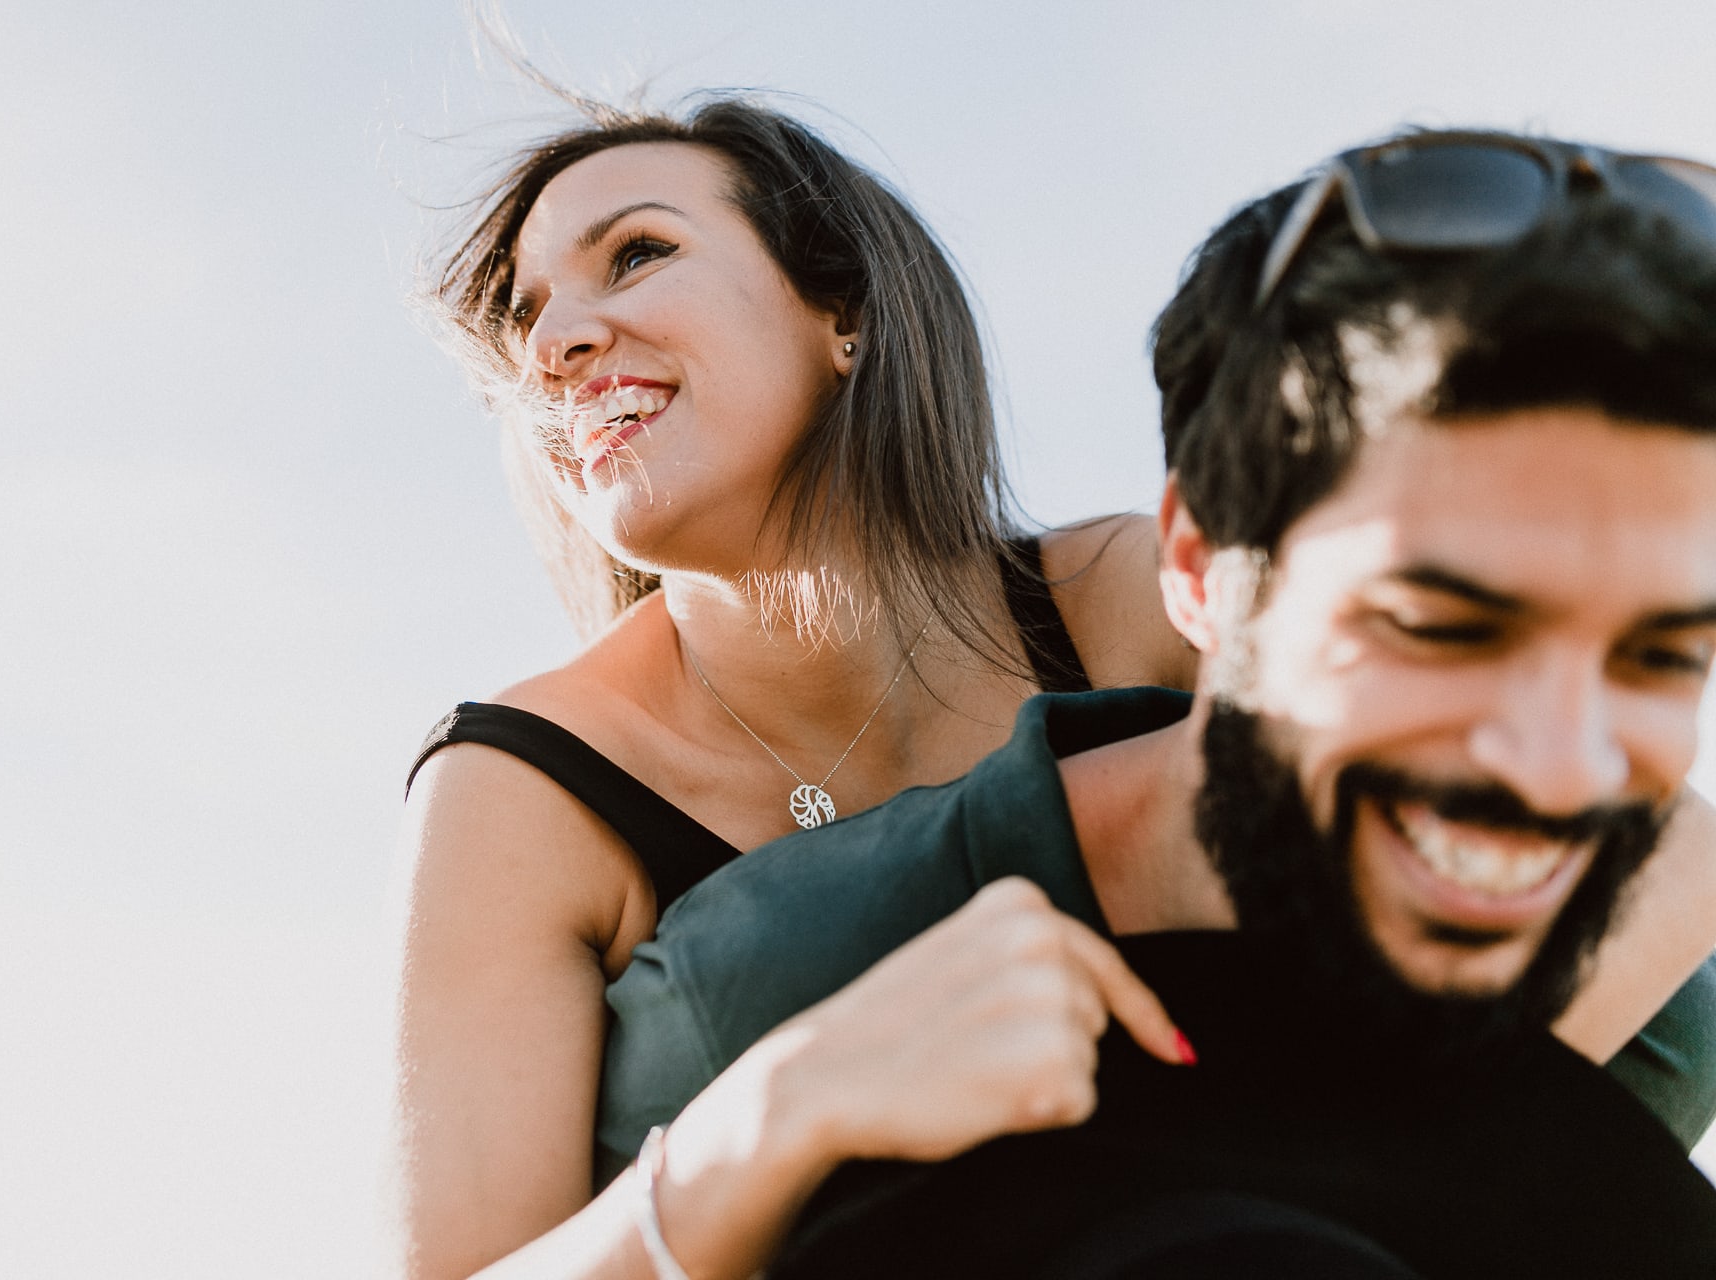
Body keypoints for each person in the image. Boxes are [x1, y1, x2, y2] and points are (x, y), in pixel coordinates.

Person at [593, 129, 1716, 1278]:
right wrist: (773, 1122)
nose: (1558, 768)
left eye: (1660, 658)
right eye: (1436, 628)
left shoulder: (1660, 980)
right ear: (1196, 563)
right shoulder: (785, 986)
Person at [395, 95, 1195, 1279]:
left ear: (846, 313)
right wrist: (784, 1099)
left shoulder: (1126, 601)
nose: (552, 345)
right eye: (529, 316)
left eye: (637, 253)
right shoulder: (519, 786)